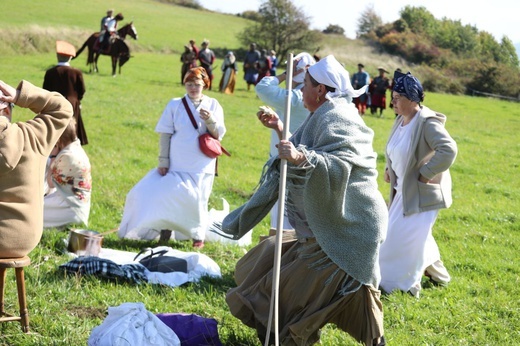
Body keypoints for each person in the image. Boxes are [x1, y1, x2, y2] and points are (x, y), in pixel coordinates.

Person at [222, 55, 388, 346]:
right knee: (275, 271)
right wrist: (279, 129)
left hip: (351, 227)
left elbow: (341, 163)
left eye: (306, 84)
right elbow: (304, 146)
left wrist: (300, 157)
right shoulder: (322, 113)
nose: (301, 90)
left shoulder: (340, 115)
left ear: (321, 90)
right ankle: (281, 335)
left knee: (299, 290)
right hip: (330, 223)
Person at [118, 67, 227, 249]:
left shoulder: (213, 104)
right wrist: (163, 161)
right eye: (189, 84)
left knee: (198, 200)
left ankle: (197, 236)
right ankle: (165, 231)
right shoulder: (175, 104)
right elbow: (165, 134)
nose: (193, 88)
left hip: (202, 164)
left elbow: (218, 135)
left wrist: (210, 120)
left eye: (197, 84)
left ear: (205, 85)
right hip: (177, 162)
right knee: (169, 197)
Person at [379, 70, 457, 298]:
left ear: (412, 99)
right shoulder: (400, 120)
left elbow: (448, 150)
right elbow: (396, 149)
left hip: (422, 194)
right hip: (403, 190)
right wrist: (389, 169)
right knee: (411, 236)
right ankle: (439, 275)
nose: (392, 101)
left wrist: (425, 174)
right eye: (392, 96)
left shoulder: (426, 122)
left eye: (397, 97)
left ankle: (405, 286)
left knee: (392, 240)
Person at [0, 79, 73, 258]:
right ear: (7, 109)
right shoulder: (33, 136)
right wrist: (19, 96)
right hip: (26, 237)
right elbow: (63, 108)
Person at [255, 52, 316, 231]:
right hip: (295, 159)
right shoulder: (300, 96)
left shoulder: (296, 97)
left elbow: (263, 88)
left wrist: (284, 75)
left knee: (284, 219)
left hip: (289, 160)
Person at [44, 118, 92, 228]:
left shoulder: (66, 156)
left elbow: (50, 183)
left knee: (30, 211)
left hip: (69, 208)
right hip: (75, 204)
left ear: (58, 139)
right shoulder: (76, 147)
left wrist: (53, 156)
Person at [43, 40, 88, 145]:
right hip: (72, 103)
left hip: (54, 103)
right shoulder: (76, 72)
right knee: (72, 127)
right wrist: (78, 100)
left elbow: (45, 90)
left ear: (57, 56)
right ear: (71, 57)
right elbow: (82, 90)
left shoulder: (50, 72)